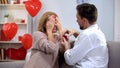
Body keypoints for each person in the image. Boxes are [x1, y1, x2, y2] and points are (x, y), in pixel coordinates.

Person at [62, 3, 108, 68]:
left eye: (77, 18)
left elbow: (70, 60)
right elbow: (88, 43)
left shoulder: (87, 35)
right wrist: (75, 32)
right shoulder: (97, 32)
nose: (76, 21)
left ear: (84, 20)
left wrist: (67, 47)